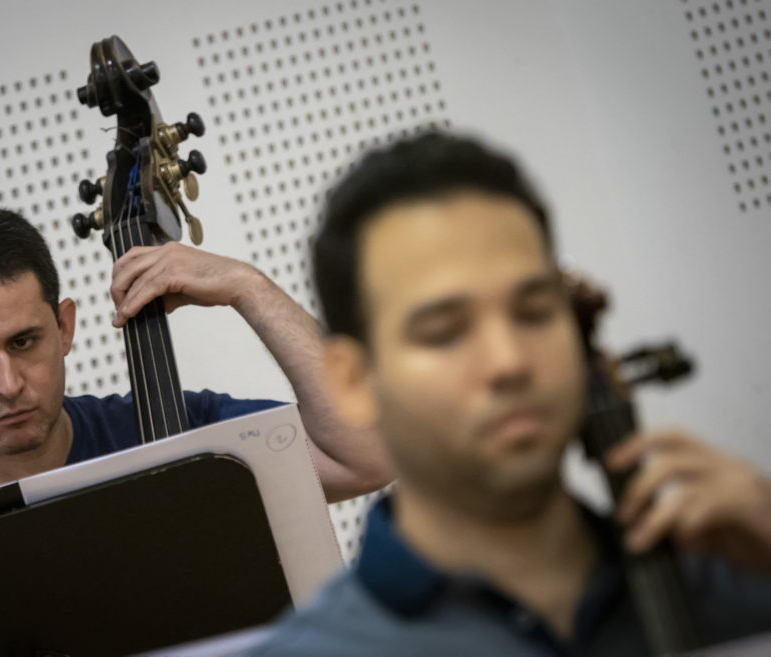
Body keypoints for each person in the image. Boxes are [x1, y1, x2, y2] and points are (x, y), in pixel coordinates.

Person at [247, 132, 771, 656]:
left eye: (535, 312)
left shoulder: (744, 583)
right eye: (445, 331)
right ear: (354, 382)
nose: (509, 361)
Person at [0, 207, 392, 515]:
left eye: (24, 342)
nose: (7, 383)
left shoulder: (183, 434)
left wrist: (248, 287)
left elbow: (368, 455)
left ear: (64, 327)